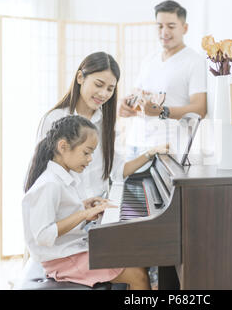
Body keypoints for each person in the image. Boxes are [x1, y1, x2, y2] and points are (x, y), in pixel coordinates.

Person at [23, 115, 150, 289]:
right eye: (86, 152)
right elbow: (43, 235)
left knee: (133, 258)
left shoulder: (61, 177)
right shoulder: (49, 184)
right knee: (139, 276)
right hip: (62, 259)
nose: (90, 159)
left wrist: (83, 206)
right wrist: (83, 214)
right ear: (63, 147)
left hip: (70, 250)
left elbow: (59, 213)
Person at [37, 51, 168, 201]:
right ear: (80, 78)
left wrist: (150, 153)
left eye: (110, 89)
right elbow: (44, 176)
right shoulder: (54, 119)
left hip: (100, 212)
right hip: (69, 214)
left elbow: (118, 172)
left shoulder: (108, 123)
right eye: (99, 85)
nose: (103, 94)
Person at [118, 0, 207, 164]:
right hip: (134, 144)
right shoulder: (149, 59)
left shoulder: (194, 62)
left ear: (184, 28)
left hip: (166, 148)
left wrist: (161, 111)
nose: (164, 32)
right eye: (159, 26)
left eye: (171, 26)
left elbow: (200, 109)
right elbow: (136, 94)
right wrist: (127, 105)